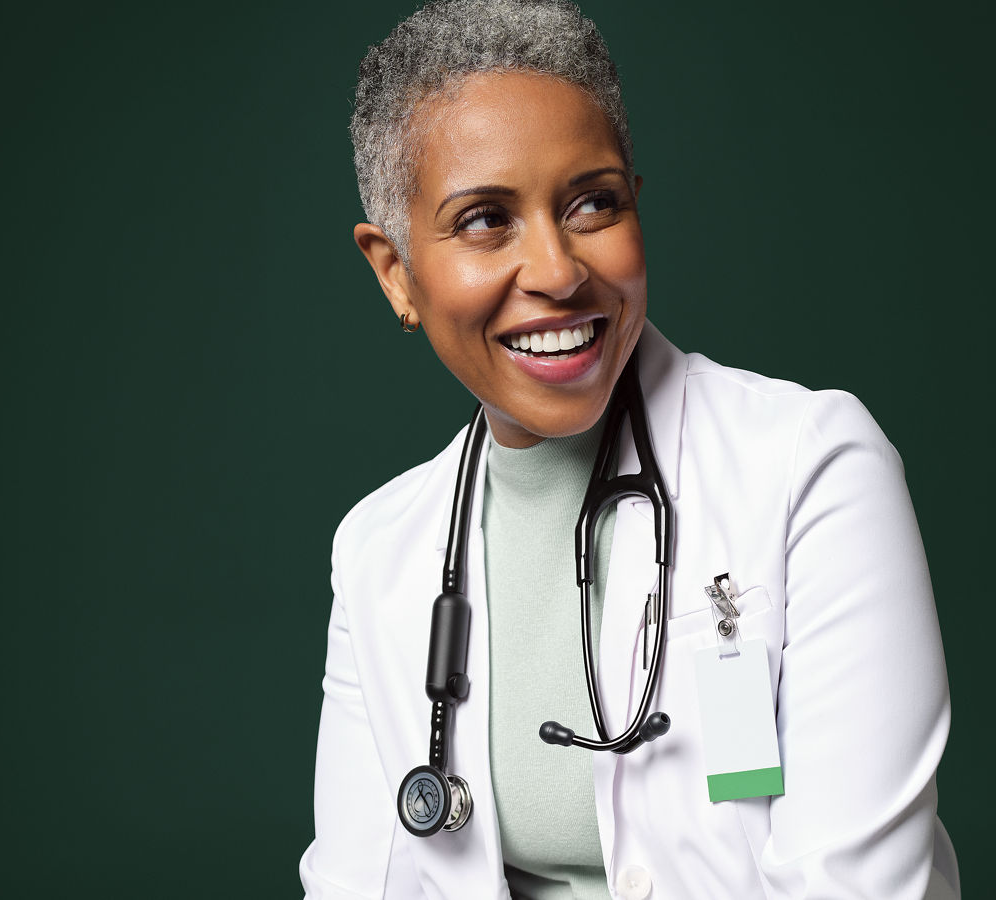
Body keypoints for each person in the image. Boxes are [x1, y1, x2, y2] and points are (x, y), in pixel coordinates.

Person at [300, 1, 960, 897]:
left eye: (591, 204)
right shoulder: (380, 552)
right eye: (487, 220)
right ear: (396, 272)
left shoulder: (814, 469)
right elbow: (358, 885)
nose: (560, 270)